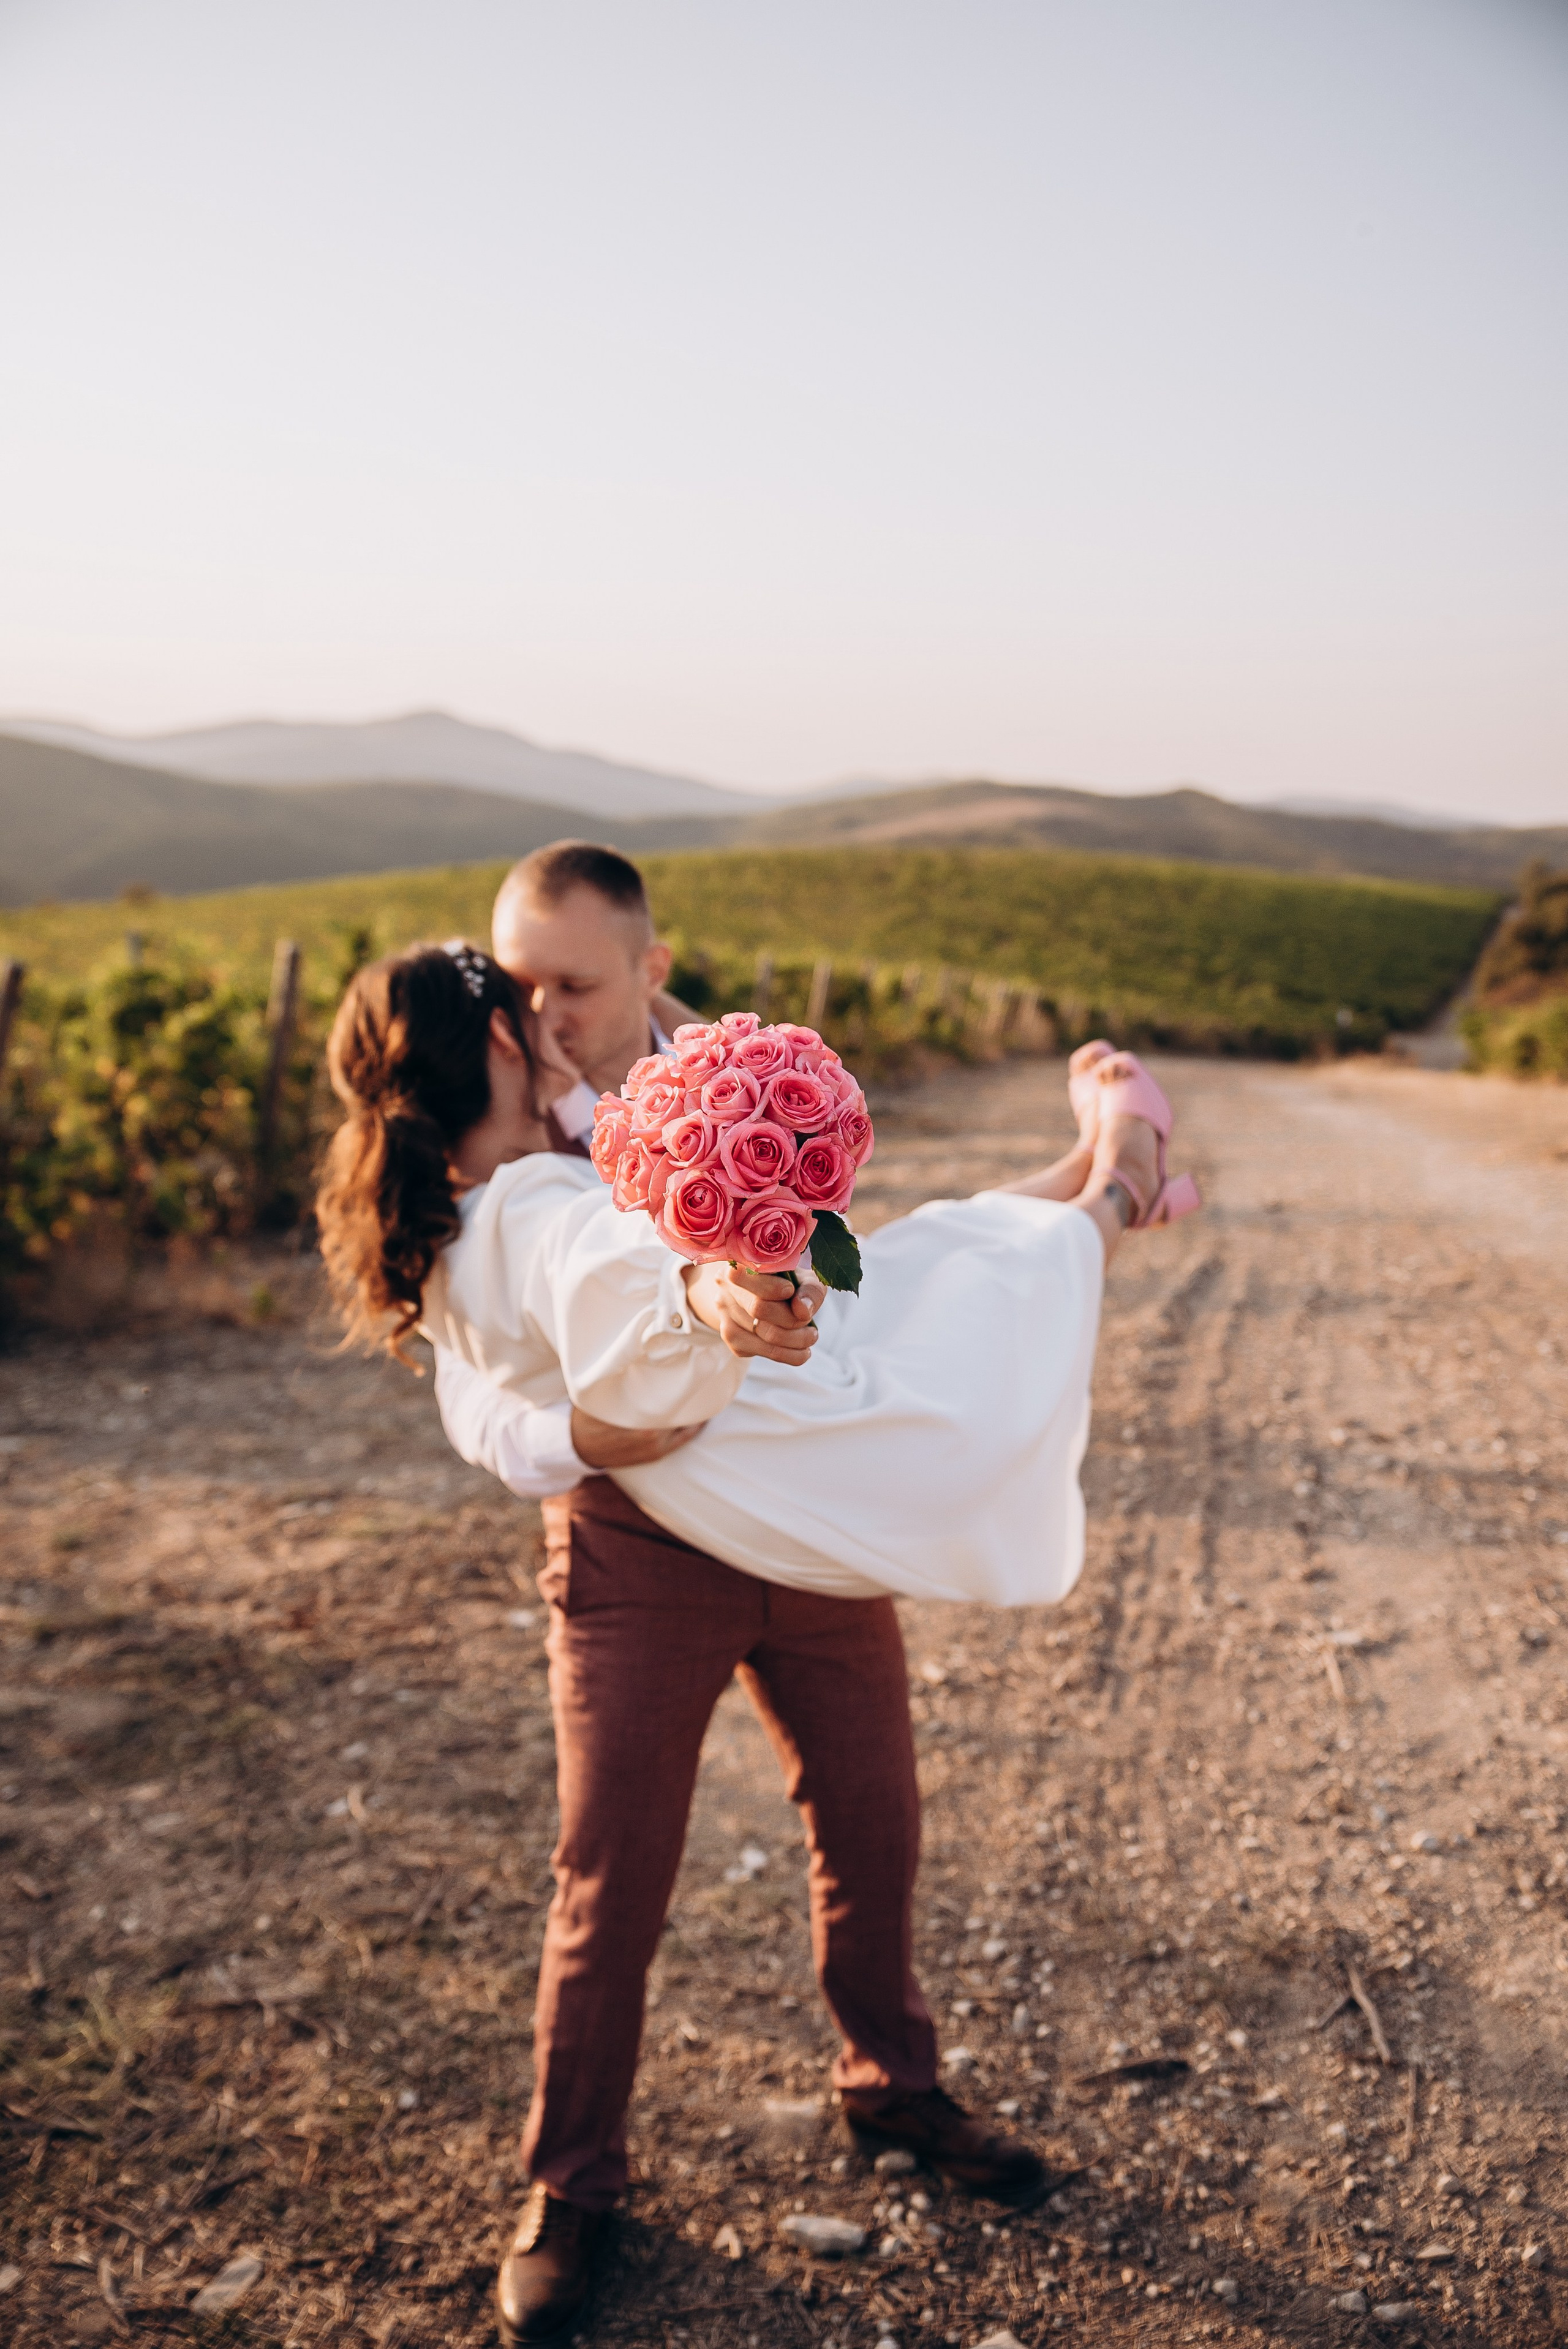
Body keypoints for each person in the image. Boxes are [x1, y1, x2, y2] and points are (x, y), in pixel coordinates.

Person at [317, 922, 1197, 2347]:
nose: (556, 1017)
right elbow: (588, 1319)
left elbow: (823, 1258)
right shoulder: (523, 1199)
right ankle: (569, 2184)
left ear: (635, 962)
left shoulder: (652, 1107)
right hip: (644, 1561)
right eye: (527, 1000)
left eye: (575, 985)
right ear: (492, 1039)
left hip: (808, 1534)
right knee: (612, 1877)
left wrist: (714, 1297)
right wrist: (668, 1338)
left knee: (873, 1821)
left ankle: (892, 2089)